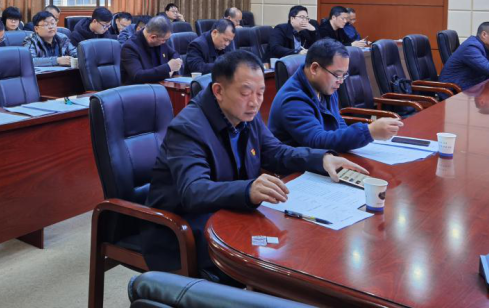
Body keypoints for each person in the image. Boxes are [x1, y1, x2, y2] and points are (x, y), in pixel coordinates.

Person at [143, 50, 368, 275]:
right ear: (218, 91)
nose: (255, 102)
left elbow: (275, 152)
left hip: (232, 214)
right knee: (279, 268)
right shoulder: (188, 128)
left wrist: (321, 159)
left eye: (260, 93)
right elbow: (194, 191)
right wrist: (248, 190)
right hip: (185, 231)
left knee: (301, 248)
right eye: (245, 93)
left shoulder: (245, 114)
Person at [268, 39, 403, 152]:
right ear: (315, 68)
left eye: (344, 75)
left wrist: (351, 141)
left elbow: (338, 124)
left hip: (324, 159)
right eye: (338, 75)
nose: (341, 81)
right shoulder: (293, 100)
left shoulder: (325, 85)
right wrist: (368, 132)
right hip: (298, 170)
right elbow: (316, 141)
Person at [120, 15, 181, 84]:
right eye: (164, 40)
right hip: (139, 88)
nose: (165, 42)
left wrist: (173, 65)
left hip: (160, 85)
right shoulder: (130, 47)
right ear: (153, 37)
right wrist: (168, 68)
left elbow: (174, 54)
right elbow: (138, 76)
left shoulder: (159, 41)